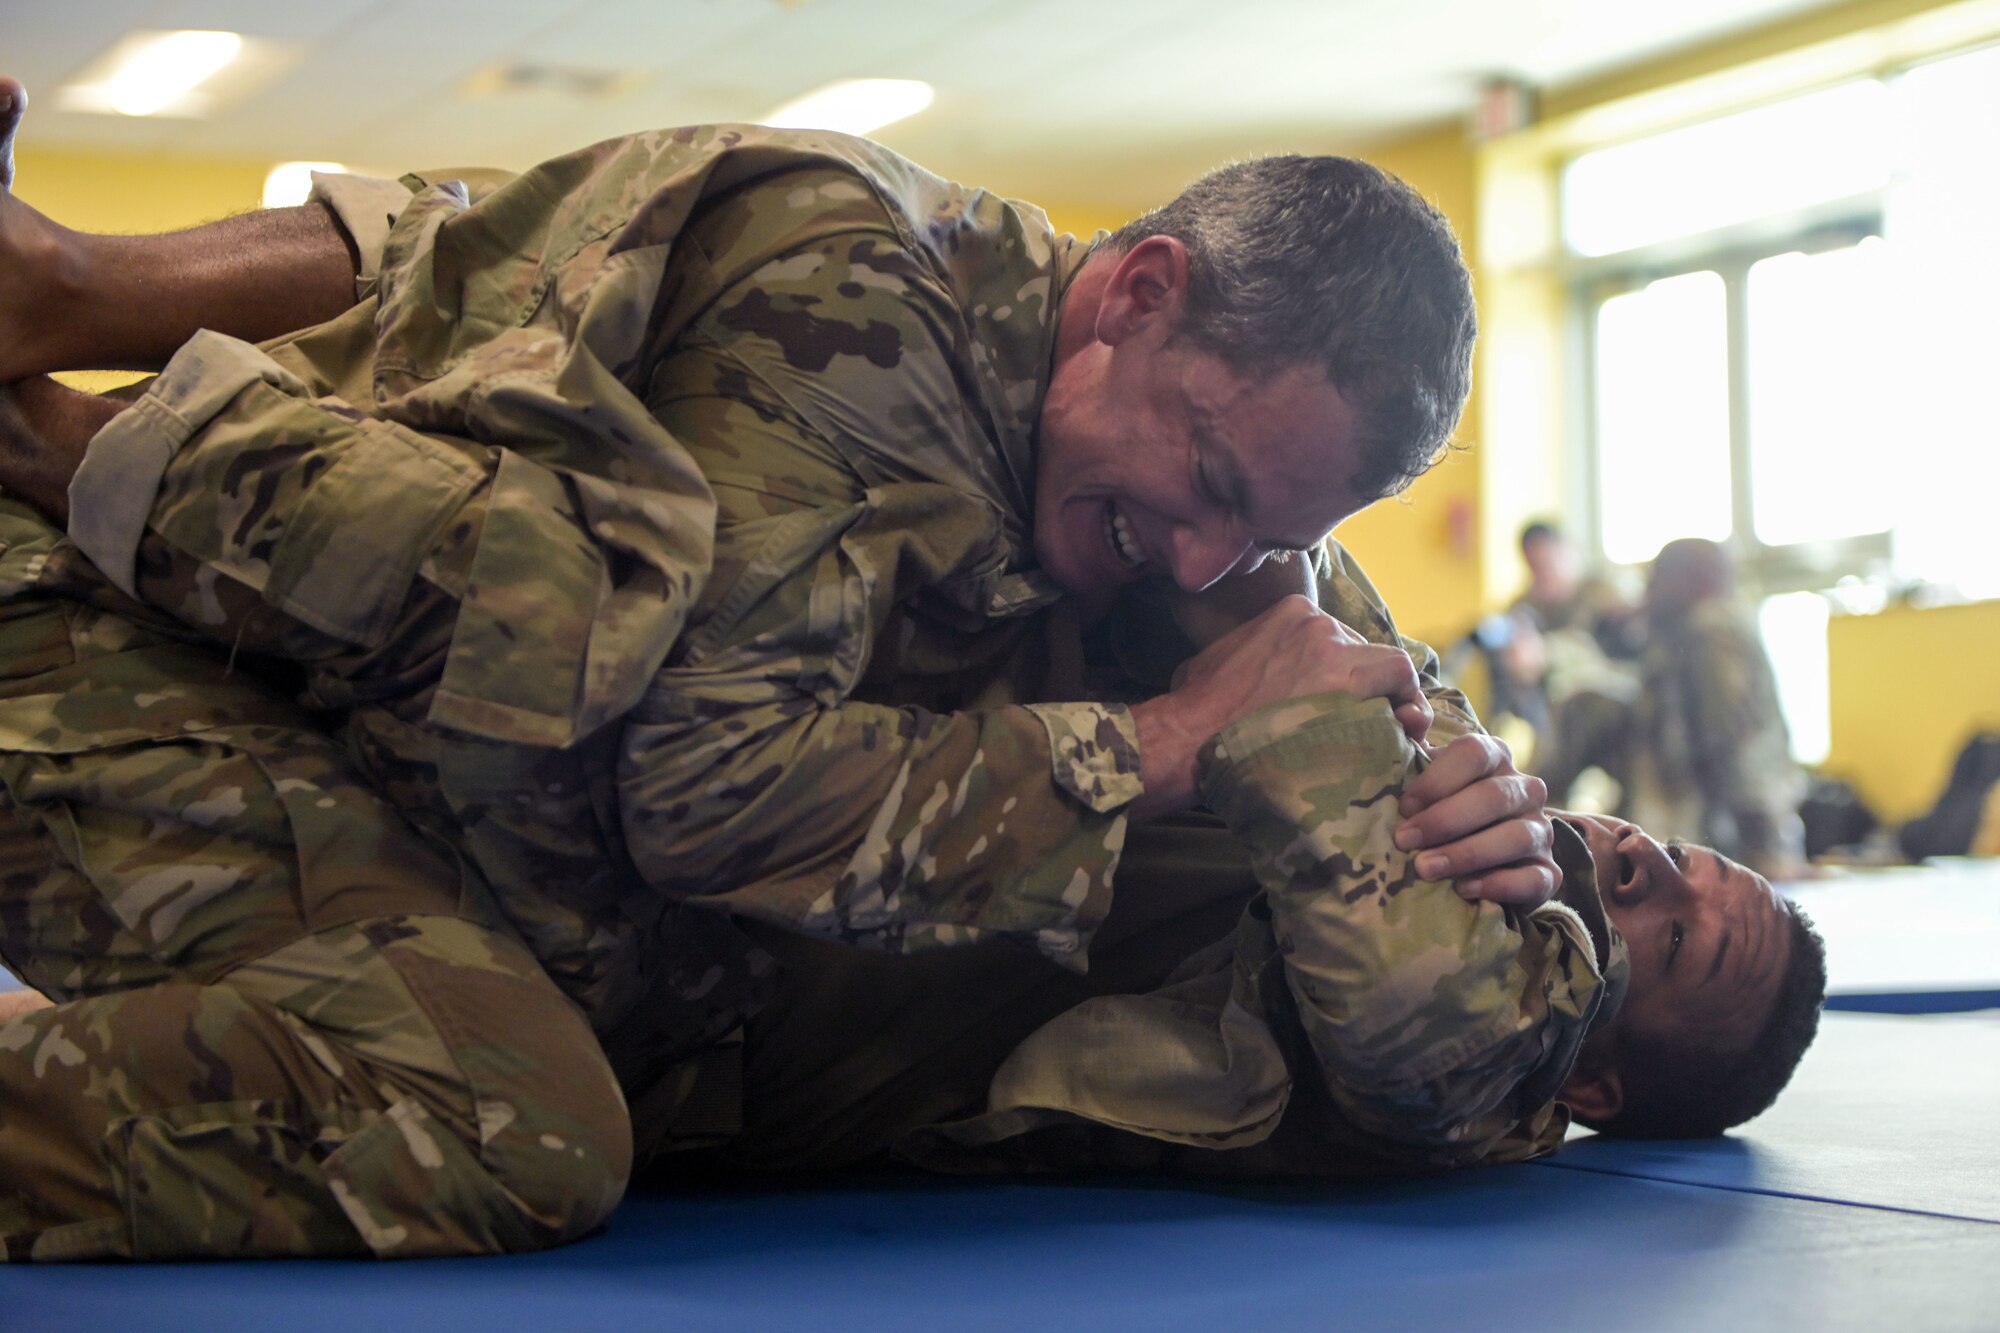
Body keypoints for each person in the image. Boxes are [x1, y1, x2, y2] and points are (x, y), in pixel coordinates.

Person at [0, 78, 1819, 1259]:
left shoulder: (1240, 530)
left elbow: (465, 236)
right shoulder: (874, 312)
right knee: (515, 1114)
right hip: (140, 642)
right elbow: (699, 790)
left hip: (408, 779)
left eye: (1262, 532)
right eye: (1201, 480)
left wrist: (1308, 719)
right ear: (1135, 295)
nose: (1208, 560)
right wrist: (1180, 739)